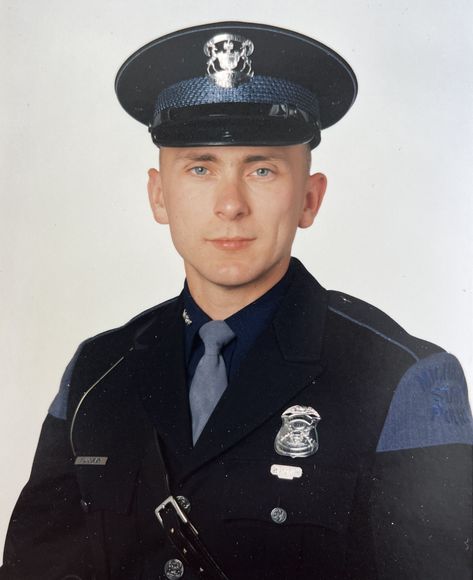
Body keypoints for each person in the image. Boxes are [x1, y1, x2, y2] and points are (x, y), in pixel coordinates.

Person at [1, 21, 472, 580]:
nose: (229, 204)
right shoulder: (97, 371)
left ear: (309, 199)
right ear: (159, 195)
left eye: (263, 169)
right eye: (200, 168)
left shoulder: (403, 378)